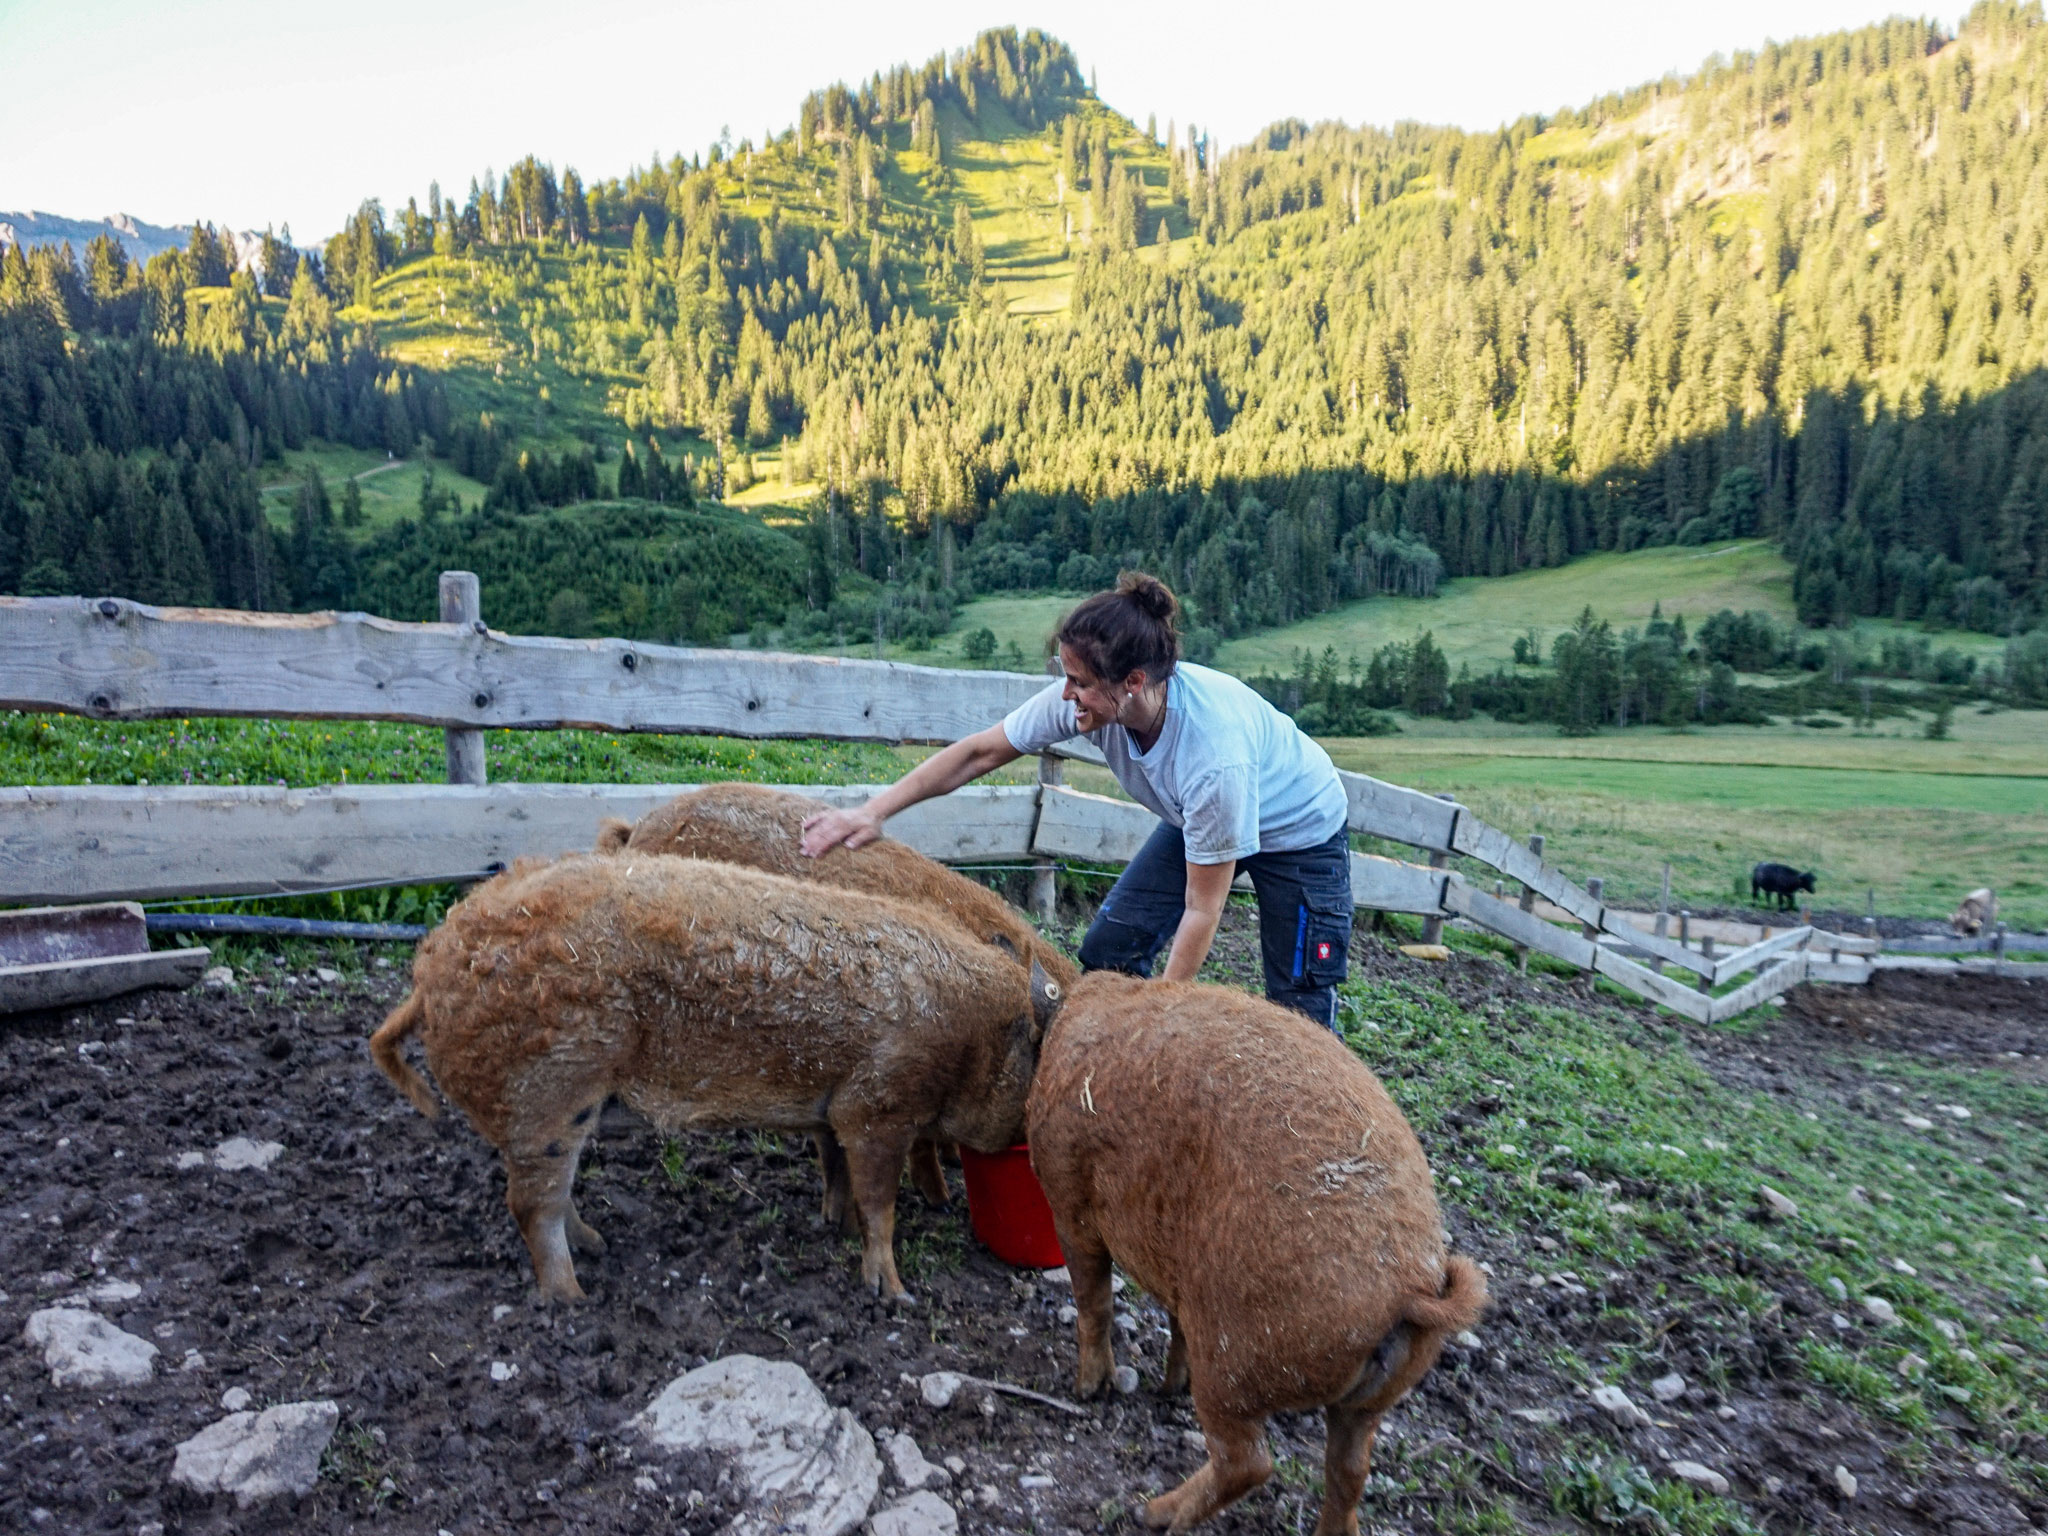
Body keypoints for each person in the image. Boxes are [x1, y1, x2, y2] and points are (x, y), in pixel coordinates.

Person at [799, 572, 1355, 1030]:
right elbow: (978, 753)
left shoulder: (1212, 757)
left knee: (1298, 1004)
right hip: (1198, 820)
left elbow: (1201, 910)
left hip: (1300, 833)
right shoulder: (1086, 703)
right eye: (1065, 677)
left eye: (1080, 682)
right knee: (1109, 951)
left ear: (1133, 681)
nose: (1067, 695)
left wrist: (1154, 1015)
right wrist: (872, 811)